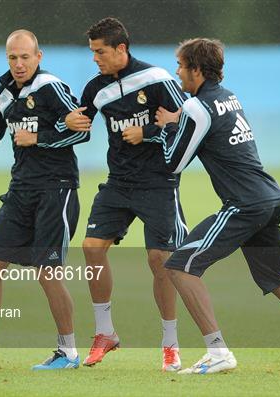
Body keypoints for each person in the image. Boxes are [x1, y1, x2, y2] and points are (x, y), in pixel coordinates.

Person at [154, 38, 280, 374]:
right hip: (270, 198)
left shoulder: (198, 107)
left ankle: (217, 353)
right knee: (276, 278)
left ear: (196, 70)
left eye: (181, 66)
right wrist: (181, 117)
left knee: (180, 266)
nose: (177, 72)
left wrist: (170, 125)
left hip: (244, 204)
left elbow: (173, 162)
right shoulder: (228, 96)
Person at [0, 30, 89, 370]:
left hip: (57, 189)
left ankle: (67, 352)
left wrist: (36, 138)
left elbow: (82, 129)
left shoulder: (51, 87)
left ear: (39, 56)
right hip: (20, 191)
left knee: (46, 271)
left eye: (25, 57)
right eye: (12, 58)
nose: (19, 64)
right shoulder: (3, 94)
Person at [64, 17, 188, 371]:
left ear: (121, 49)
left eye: (100, 51)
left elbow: (185, 120)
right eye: (92, 52)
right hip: (118, 183)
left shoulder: (158, 79)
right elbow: (81, 127)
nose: (95, 58)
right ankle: (105, 333)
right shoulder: (95, 87)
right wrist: (67, 124)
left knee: (159, 260)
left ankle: (170, 345)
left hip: (158, 183)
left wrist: (147, 130)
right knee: (90, 247)